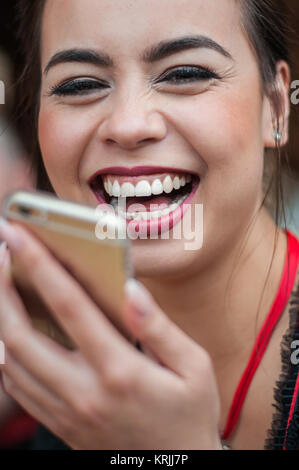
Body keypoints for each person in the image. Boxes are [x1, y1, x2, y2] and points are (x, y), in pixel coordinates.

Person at [0, 0, 298, 450]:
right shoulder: (54, 375)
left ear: (275, 105)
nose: (128, 124)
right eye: (80, 84)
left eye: (184, 74)